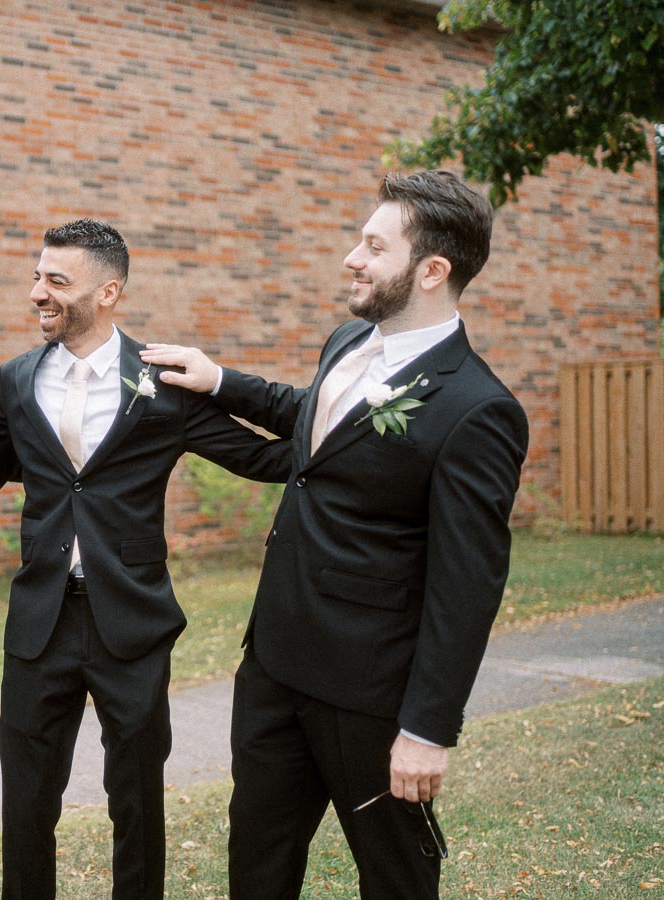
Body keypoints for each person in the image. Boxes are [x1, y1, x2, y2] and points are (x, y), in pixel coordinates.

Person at [141, 170, 530, 898]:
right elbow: (316, 420)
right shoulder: (348, 341)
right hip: (274, 662)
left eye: (373, 246)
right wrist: (220, 379)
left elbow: (465, 586)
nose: (352, 257)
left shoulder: (479, 411)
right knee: (256, 861)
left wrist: (426, 731)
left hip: (370, 694)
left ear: (431, 271)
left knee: (395, 877)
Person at [0, 219, 292, 899]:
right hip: (38, 623)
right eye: (36, 276)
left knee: (136, 801)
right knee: (25, 802)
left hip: (132, 623)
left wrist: (231, 383)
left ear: (108, 290)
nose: (37, 293)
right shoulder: (18, 378)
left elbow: (268, 455)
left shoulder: (163, 381)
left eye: (57, 280)